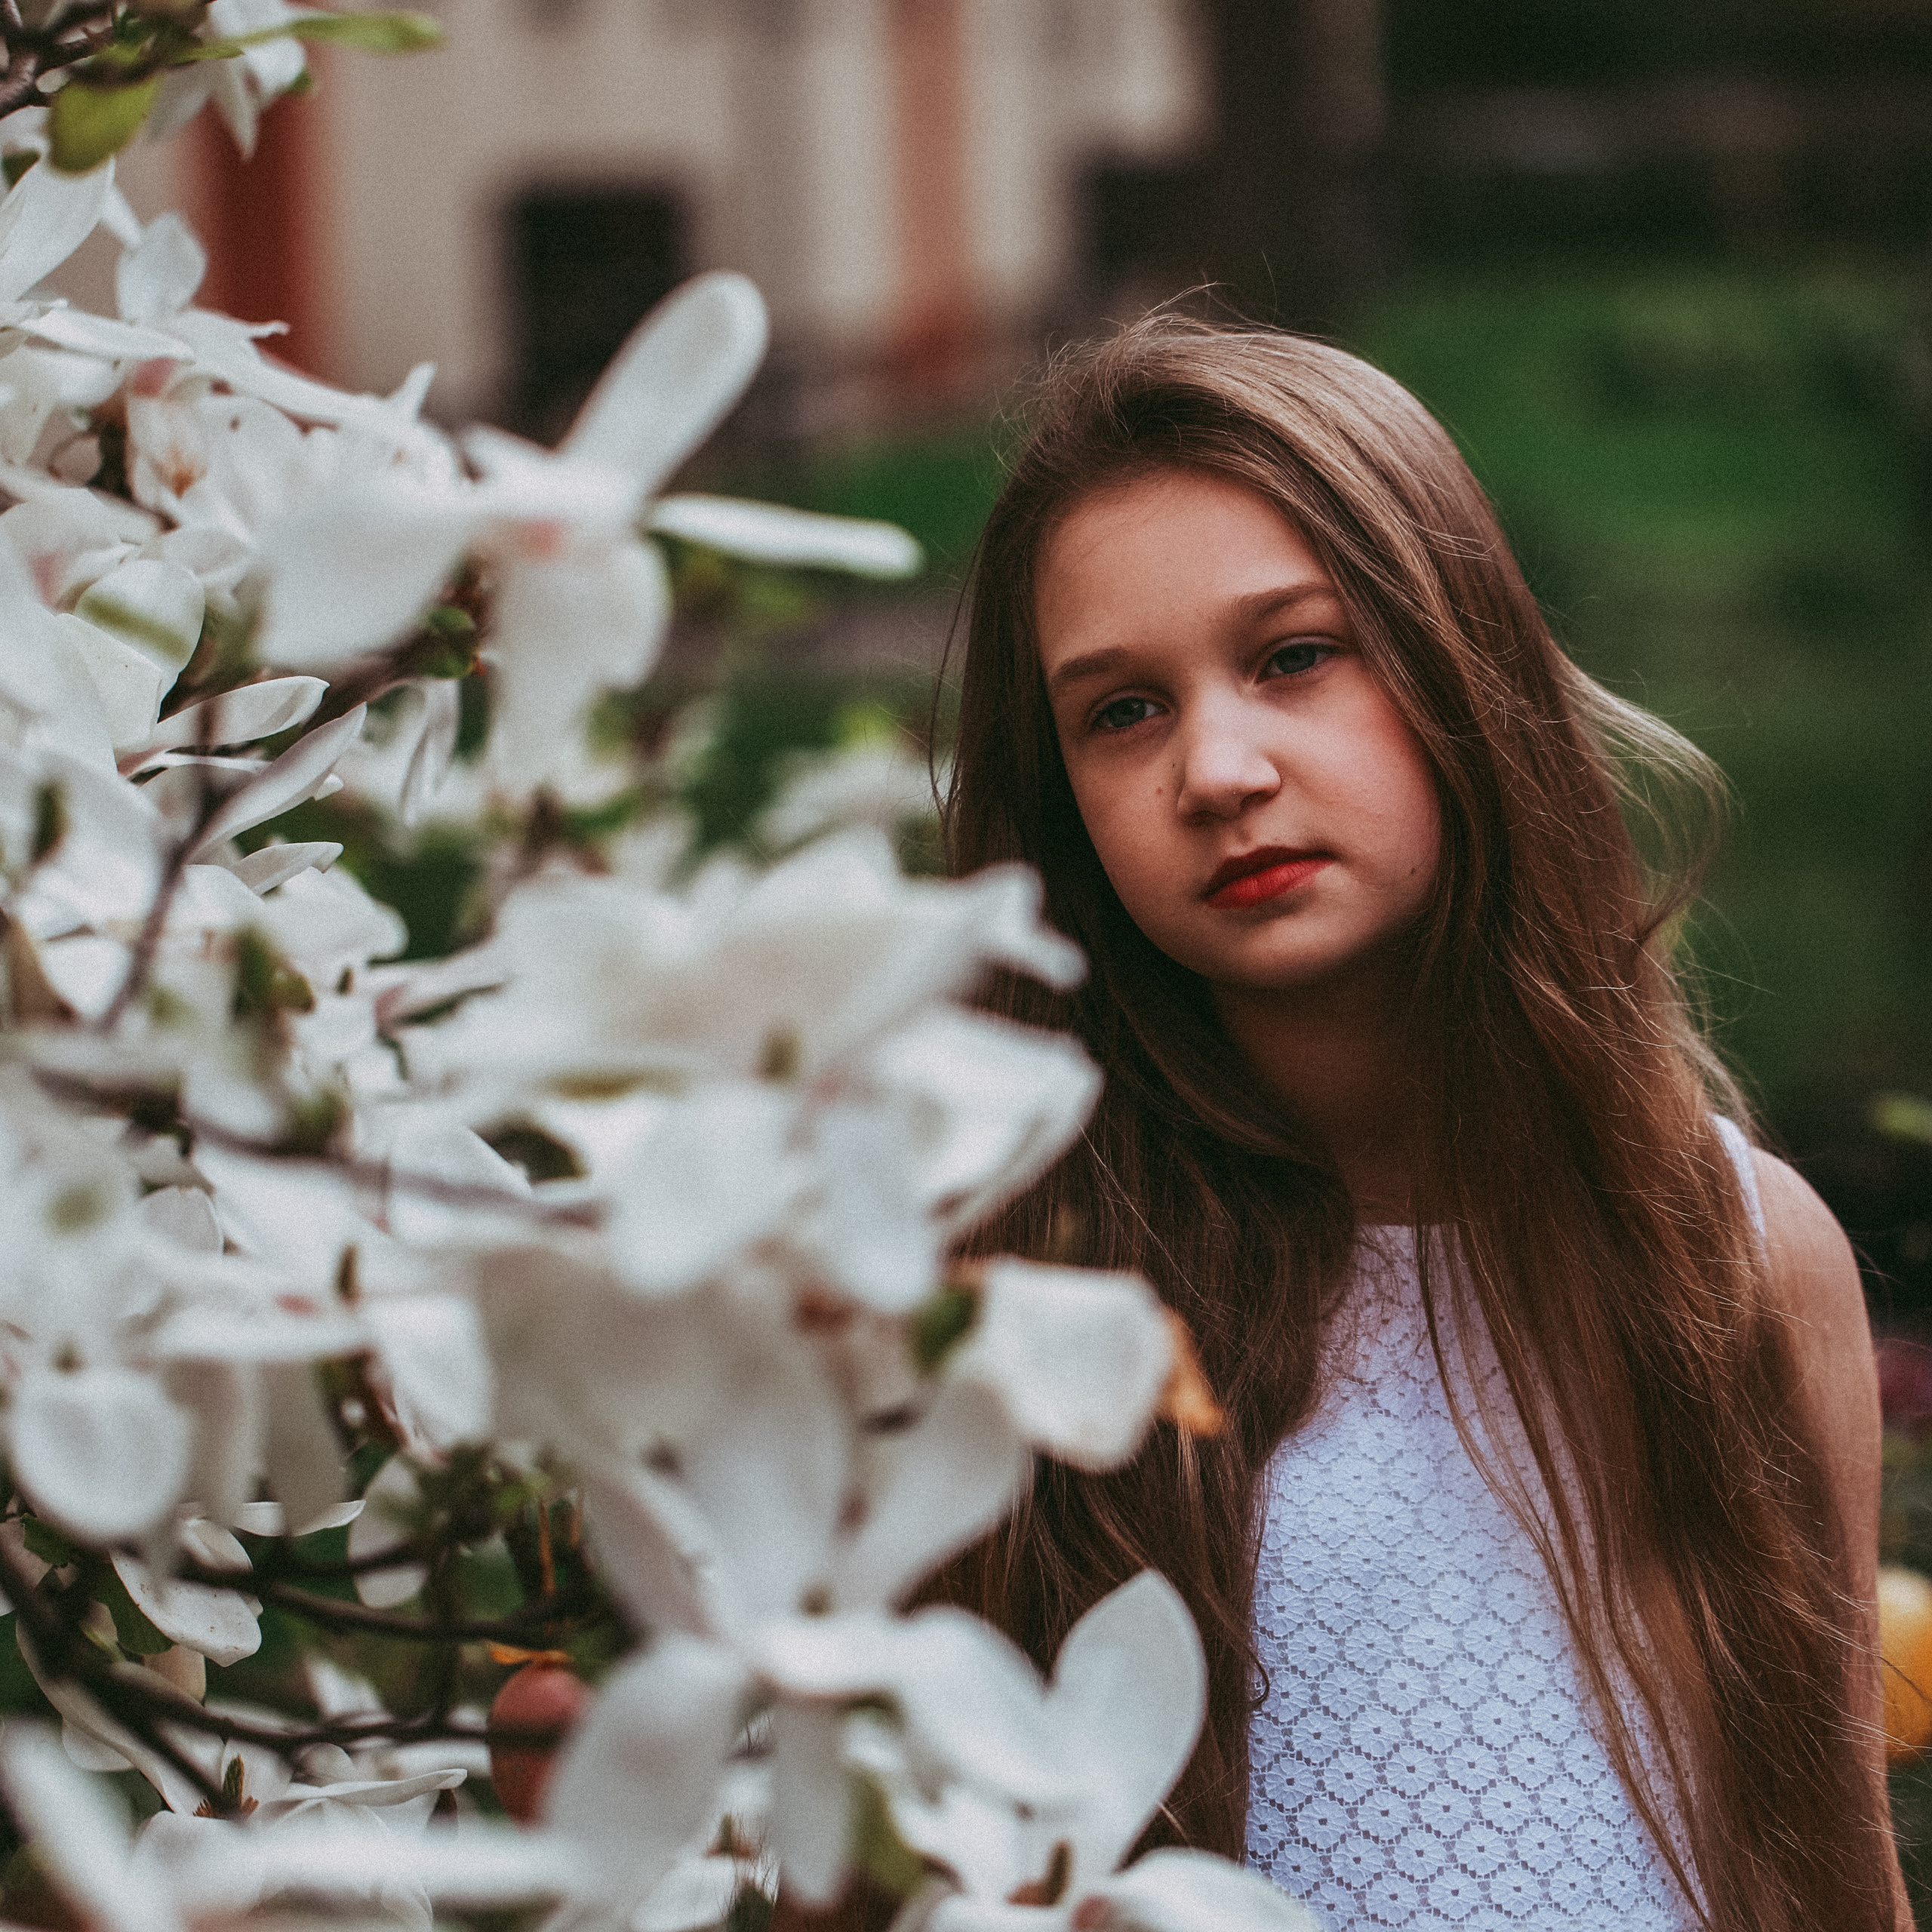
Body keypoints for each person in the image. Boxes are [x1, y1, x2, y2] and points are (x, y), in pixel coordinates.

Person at [931, 314, 1909, 1932]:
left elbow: (1827, 1859)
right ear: (1058, 810)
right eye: (1120, 711)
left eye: (1293, 653)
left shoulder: (1738, 1250)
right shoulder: (1011, 1294)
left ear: (1460, 661)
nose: (1217, 767)